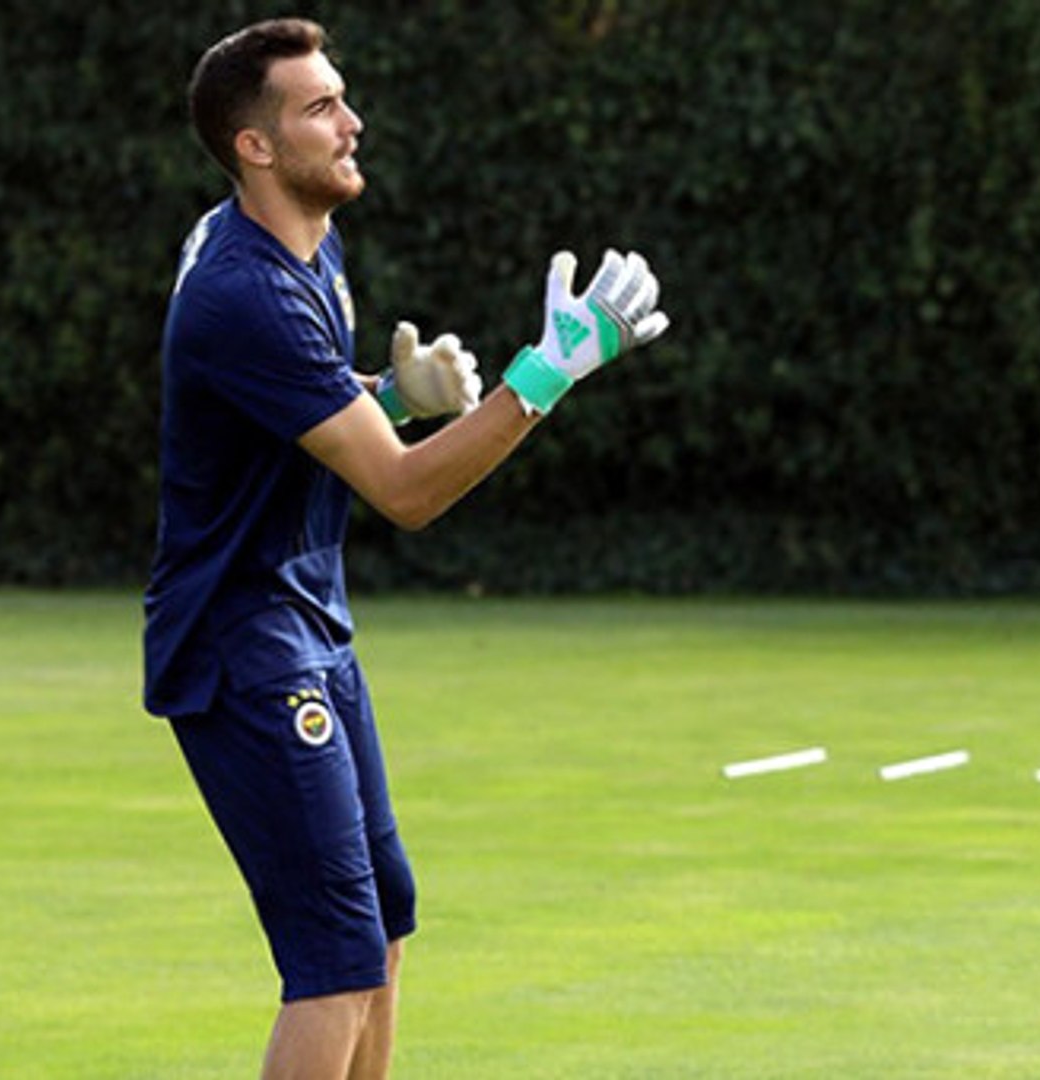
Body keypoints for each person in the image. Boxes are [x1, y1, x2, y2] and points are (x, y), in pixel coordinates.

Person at [142, 18, 668, 1079]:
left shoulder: (300, 246)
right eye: (321, 108)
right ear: (255, 146)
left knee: (380, 919)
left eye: (343, 98)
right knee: (333, 963)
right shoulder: (246, 291)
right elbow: (405, 491)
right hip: (243, 648)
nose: (353, 123)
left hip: (305, 625)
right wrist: (547, 373)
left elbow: (287, 410)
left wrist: (390, 395)